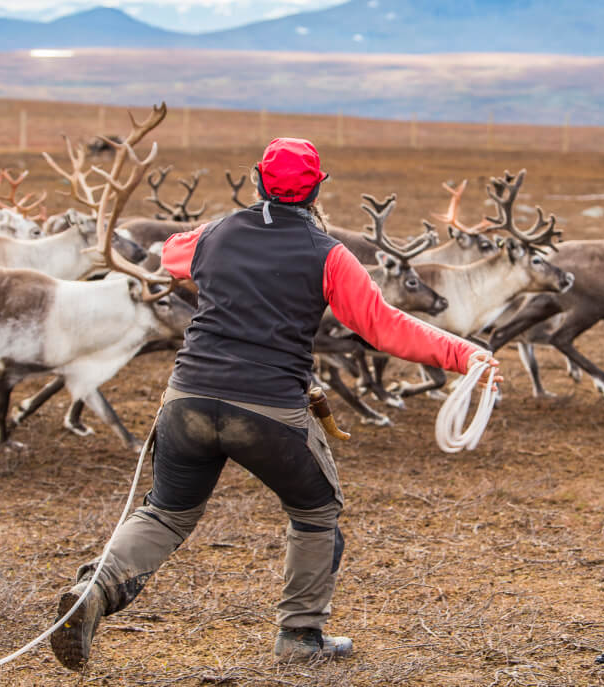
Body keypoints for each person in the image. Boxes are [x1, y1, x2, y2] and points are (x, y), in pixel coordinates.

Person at [49, 137, 501, 670]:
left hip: (188, 398)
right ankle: (300, 637)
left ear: (258, 180)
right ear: (316, 190)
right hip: (268, 410)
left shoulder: (214, 236)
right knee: (316, 511)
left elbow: (170, 255)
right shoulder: (329, 254)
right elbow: (382, 327)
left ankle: (92, 592)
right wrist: (465, 352)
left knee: (167, 513)